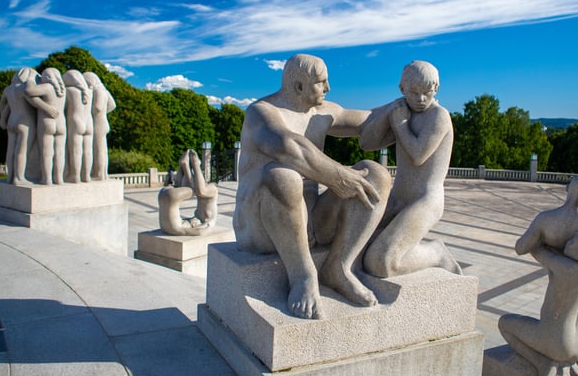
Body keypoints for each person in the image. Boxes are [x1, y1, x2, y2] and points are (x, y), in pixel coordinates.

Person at [233, 53, 391, 320]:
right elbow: (289, 147)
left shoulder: (323, 111)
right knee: (283, 176)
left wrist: (407, 104)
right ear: (298, 87)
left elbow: (370, 120)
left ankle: (339, 267)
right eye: (321, 82)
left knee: (376, 175)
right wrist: (338, 177)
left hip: (312, 222)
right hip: (260, 227)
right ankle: (303, 277)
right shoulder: (262, 113)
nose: (328, 88)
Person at [360, 60, 461, 277]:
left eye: (427, 92)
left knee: (382, 262)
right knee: (355, 240)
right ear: (402, 89)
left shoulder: (438, 116)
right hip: (398, 198)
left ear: (436, 89)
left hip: (425, 201)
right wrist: (390, 112)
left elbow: (418, 155)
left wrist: (399, 124)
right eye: (414, 92)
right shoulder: (403, 112)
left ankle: (436, 253)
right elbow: (367, 143)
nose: (421, 99)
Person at [499, 230, 578, 376]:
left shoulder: (568, 269)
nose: (568, 243)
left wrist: (544, 229)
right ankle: (568, 364)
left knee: (505, 323)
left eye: (573, 242)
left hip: (557, 342)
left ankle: (542, 364)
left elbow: (535, 249)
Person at [515, 174, 578, 266]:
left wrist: (539, 246)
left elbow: (520, 248)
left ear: (567, 189)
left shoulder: (544, 218)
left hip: (557, 275)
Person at [158, 150, 218, 236]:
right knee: (196, 189)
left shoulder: (205, 221)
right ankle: (185, 165)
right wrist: (203, 228)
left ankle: (186, 165)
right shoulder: (209, 222)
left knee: (194, 189)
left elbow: (199, 231)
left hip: (170, 196)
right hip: (166, 195)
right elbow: (198, 231)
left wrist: (194, 165)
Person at [23, 68, 67, 185]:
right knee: (60, 152)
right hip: (61, 123)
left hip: (47, 122)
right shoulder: (63, 91)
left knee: (47, 152)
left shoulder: (47, 87)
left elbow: (28, 91)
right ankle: (59, 178)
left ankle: (47, 179)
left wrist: (31, 77)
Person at [62, 70, 94, 183]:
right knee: (88, 151)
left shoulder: (69, 91)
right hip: (89, 123)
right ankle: (86, 176)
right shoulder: (89, 92)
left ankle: (75, 176)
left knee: (76, 151)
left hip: (76, 122)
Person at [85, 72, 116, 181]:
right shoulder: (104, 91)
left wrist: (87, 110)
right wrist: (104, 112)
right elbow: (112, 105)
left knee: (98, 149)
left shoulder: (98, 91)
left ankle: (99, 173)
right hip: (104, 122)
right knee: (102, 149)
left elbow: (97, 108)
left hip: (98, 123)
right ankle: (102, 173)